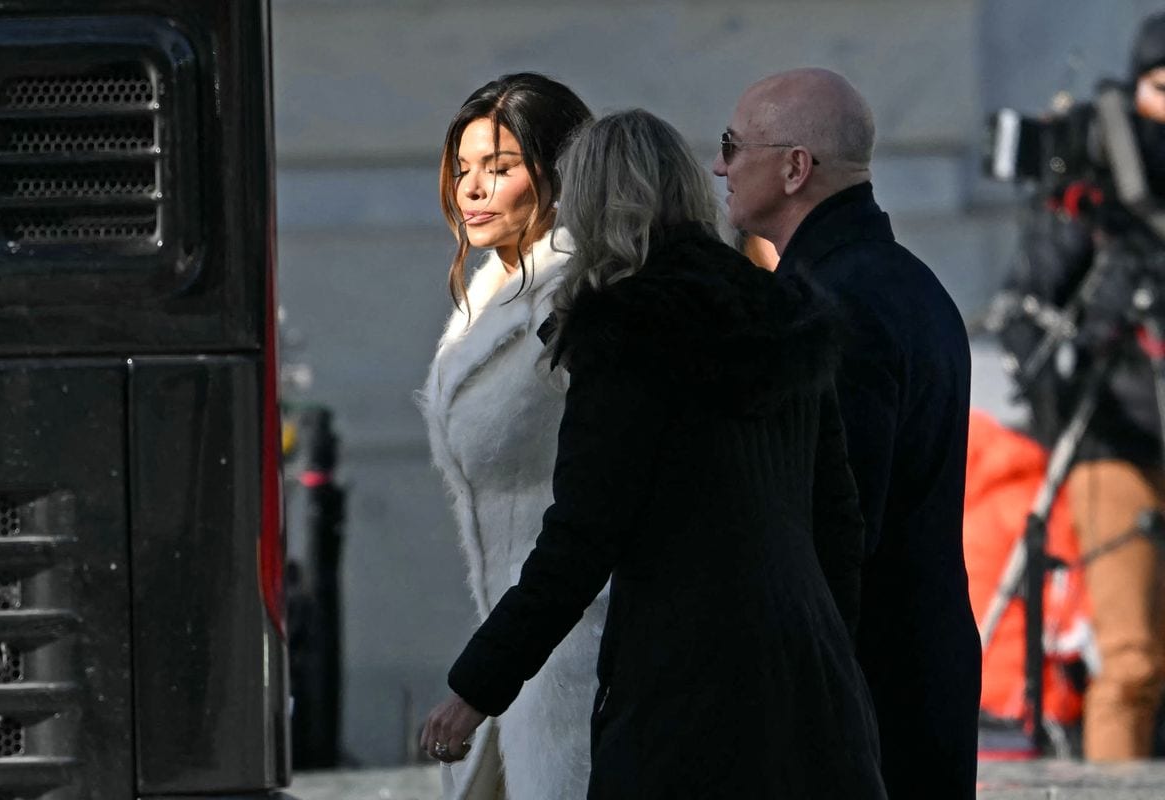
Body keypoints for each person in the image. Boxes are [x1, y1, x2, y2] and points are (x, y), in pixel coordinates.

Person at [422, 108, 887, 799]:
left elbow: (579, 540)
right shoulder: (784, 313)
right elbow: (839, 521)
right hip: (810, 684)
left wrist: (475, 689)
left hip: (684, 692)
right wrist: (823, 649)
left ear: (589, 206)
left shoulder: (622, 338)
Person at [714, 69, 980, 798]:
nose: (720, 165)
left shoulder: (829, 306)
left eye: (734, 145)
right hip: (910, 680)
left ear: (795, 167)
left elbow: (832, 527)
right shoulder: (908, 283)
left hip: (860, 696)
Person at [418, 72, 594, 800]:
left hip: (582, 646)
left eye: (500, 168)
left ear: (555, 173)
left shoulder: (579, 295)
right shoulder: (493, 288)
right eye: (464, 170)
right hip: (511, 648)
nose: (473, 190)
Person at [997, 11, 1165, 760]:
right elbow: (1025, 313)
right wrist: (1059, 406)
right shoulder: (1097, 185)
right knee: (1131, 661)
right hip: (1115, 438)